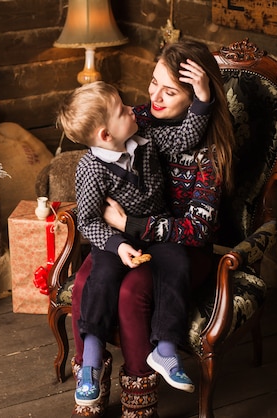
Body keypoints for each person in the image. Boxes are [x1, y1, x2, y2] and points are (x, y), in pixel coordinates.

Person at [68, 39, 236, 418]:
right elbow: (99, 137)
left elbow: (197, 230)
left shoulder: (206, 154)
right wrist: (114, 235)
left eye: (170, 90)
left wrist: (130, 223)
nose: (151, 99)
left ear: (192, 96)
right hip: (126, 240)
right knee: (85, 280)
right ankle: (90, 375)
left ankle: (140, 394)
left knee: (131, 294)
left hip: (179, 246)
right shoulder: (141, 121)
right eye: (153, 81)